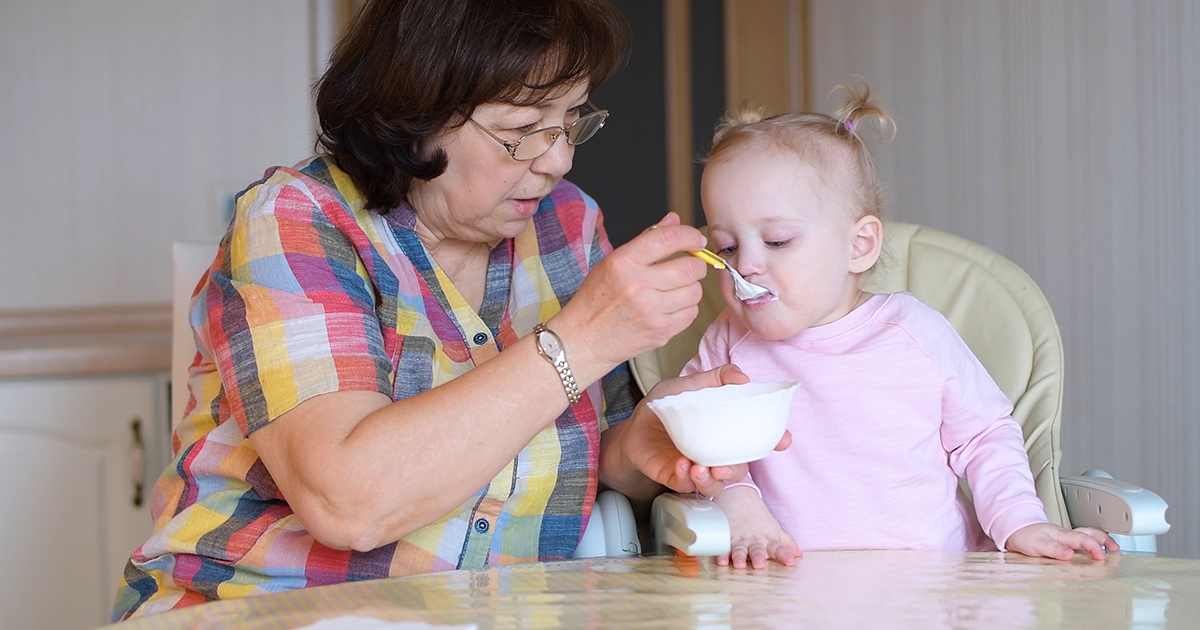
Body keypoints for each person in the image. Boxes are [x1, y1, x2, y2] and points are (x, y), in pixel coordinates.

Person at [113, 0, 777, 619]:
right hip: (268, 610)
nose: (559, 160)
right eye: (522, 131)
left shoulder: (568, 226)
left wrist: (648, 447)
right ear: (415, 117)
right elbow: (349, 503)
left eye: (572, 121)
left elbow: (596, 457)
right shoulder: (298, 219)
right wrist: (581, 340)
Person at [682, 80, 1119, 569]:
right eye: (725, 246)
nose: (748, 265)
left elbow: (984, 437)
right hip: (783, 581)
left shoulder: (913, 332)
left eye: (778, 240)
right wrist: (743, 511)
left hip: (933, 580)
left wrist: (1020, 521)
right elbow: (697, 446)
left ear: (860, 245)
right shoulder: (727, 344)